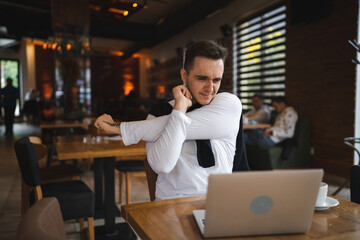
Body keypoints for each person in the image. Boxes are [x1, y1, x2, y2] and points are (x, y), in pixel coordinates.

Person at [95, 40, 249, 200]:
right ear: (184, 75)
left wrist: (119, 128)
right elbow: (162, 165)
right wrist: (180, 107)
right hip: (171, 203)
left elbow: (160, 127)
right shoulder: (160, 111)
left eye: (216, 80)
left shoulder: (227, 103)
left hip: (221, 200)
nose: (210, 88)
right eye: (202, 78)